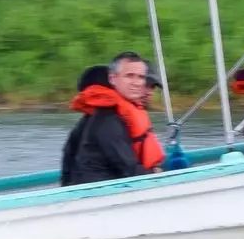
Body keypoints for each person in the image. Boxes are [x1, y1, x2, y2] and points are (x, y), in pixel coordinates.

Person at [60, 53, 166, 185]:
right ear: (113, 80)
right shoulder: (108, 119)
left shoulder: (119, 113)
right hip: (95, 193)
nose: (148, 91)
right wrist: (158, 176)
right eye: (129, 76)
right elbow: (128, 168)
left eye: (141, 78)